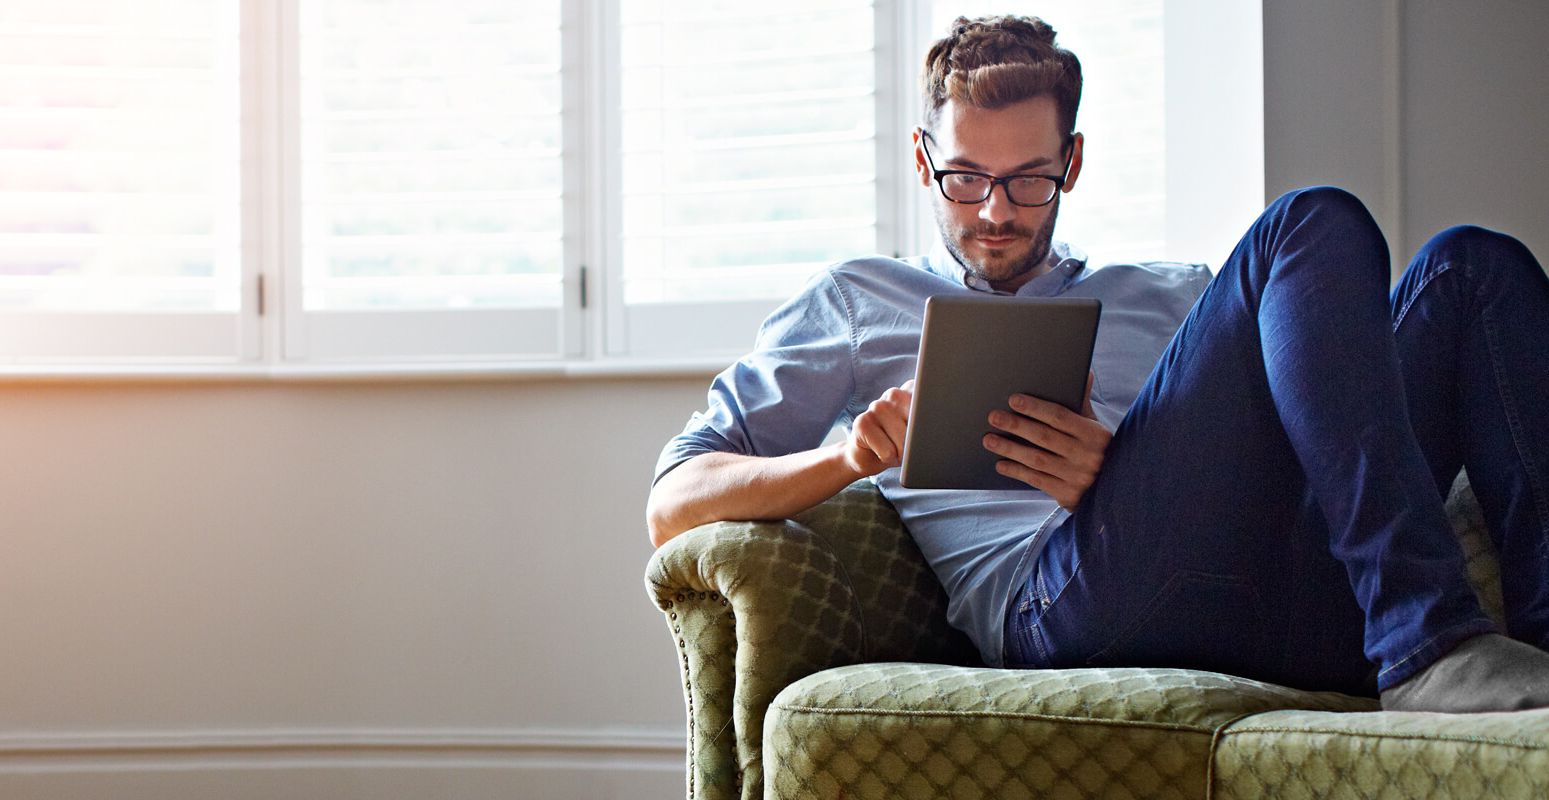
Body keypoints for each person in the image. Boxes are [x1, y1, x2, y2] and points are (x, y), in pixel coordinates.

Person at [645, 14, 1549, 712]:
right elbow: (672, 499)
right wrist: (845, 458)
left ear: (1071, 164)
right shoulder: (857, 301)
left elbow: (1310, 442)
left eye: (1028, 180)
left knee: (1474, 269)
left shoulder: (1171, 293)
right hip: (1065, 606)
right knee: (1303, 222)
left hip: (1282, 588)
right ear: (924, 164)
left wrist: (1121, 464)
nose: (994, 211)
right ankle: (1428, 646)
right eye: (965, 179)